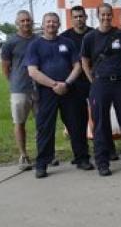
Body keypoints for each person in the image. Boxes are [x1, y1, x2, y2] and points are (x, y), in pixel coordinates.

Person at [26, 12, 93, 177]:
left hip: (69, 90)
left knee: (76, 126)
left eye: (54, 22)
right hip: (46, 92)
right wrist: (54, 84)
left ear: (59, 24)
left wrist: (67, 83)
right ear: (43, 25)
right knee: (45, 128)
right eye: (48, 22)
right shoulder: (35, 45)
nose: (51, 24)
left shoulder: (67, 43)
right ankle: (42, 163)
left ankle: (82, 159)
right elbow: (33, 71)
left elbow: (77, 65)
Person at [81, 3, 121, 176]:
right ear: (97, 16)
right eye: (102, 15)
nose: (106, 18)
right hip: (100, 84)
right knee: (100, 125)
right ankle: (102, 162)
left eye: (108, 15)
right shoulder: (90, 37)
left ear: (112, 16)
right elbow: (85, 62)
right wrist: (93, 80)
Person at [61, 5, 104, 161]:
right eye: (75, 17)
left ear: (86, 17)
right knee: (77, 121)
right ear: (71, 19)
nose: (79, 19)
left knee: (100, 118)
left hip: (95, 82)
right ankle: (81, 155)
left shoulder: (95, 34)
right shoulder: (64, 38)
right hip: (75, 86)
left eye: (81, 16)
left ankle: (105, 150)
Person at [0, 10, 37, 170]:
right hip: (19, 89)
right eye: (22, 21)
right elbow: (5, 67)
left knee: (41, 123)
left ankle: (45, 154)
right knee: (19, 123)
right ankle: (23, 155)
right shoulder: (10, 43)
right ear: (17, 23)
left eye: (28, 20)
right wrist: (14, 81)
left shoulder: (38, 40)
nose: (26, 23)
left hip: (39, 88)